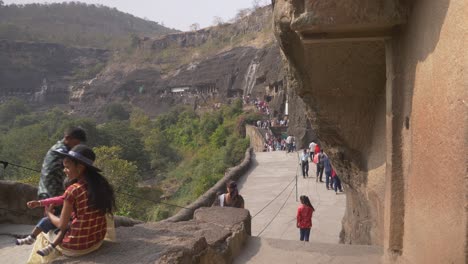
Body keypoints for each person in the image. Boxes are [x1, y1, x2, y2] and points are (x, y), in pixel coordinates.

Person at [18, 145, 115, 257]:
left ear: (80, 167)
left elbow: (61, 225)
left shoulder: (74, 190)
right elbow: (64, 198)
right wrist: (40, 203)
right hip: (96, 241)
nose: (65, 171)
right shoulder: (99, 185)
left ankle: (43, 247)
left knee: (44, 232)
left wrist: (49, 214)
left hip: (77, 247)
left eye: (67, 167)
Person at [37, 127, 87, 200]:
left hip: (46, 192)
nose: (76, 146)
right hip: (53, 192)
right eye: (75, 143)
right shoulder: (62, 151)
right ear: (67, 138)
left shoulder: (58, 147)